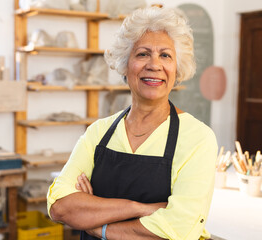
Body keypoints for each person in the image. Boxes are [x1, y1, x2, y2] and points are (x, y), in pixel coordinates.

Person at [47, 6, 217, 240]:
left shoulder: (198, 138)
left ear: (177, 69)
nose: (154, 65)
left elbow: (178, 228)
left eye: (165, 55)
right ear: (125, 65)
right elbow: (60, 207)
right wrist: (138, 208)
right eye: (142, 54)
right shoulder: (99, 132)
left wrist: (98, 225)